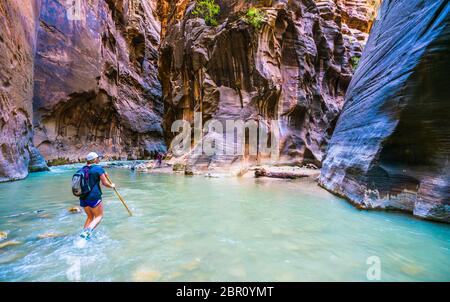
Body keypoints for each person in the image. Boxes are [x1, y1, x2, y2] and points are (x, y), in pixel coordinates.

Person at [79, 152, 115, 239]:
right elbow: (105, 183)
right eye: (98, 158)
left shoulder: (81, 169)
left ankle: (83, 236)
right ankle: (87, 232)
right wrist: (112, 185)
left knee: (90, 217)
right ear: (94, 159)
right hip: (94, 197)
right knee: (99, 216)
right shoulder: (98, 168)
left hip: (83, 197)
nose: (99, 159)